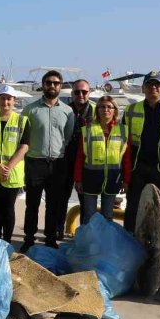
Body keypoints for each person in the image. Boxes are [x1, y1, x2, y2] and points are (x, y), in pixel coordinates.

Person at [20, 70, 74, 252]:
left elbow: (67, 137)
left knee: (54, 204)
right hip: (35, 162)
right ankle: (29, 238)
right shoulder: (30, 110)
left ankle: (50, 238)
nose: (52, 86)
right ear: (43, 85)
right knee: (32, 204)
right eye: (49, 82)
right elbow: (23, 137)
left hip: (58, 163)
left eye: (56, 83)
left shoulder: (68, 111)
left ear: (60, 86)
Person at [123, 71, 160, 233]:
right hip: (137, 167)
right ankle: (129, 240)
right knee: (133, 207)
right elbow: (122, 143)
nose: (153, 88)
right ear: (143, 88)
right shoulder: (130, 110)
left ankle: (154, 241)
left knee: (157, 207)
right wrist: (124, 172)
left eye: (157, 85)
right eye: (149, 84)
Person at [74, 95, 131, 224]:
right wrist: (78, 179)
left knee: (108, 216)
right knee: (89, 216)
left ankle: (105, 243)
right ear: (97, 110)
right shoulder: (88, 130)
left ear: (115, 110)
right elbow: (80, 157)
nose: (106, 109)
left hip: (112, 178)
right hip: (90, 178)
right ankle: (89, 243)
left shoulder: (123, 131)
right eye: (102, 107)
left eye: (109, 107)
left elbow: (126, 158)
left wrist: (126, 180)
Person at [0, 85, 30, 242]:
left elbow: (24, 146)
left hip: (12, 173)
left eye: (9, 99)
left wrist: (8, 167)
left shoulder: (22, 120)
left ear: (14, 101)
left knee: (8, 208)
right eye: (3, 98)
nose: (5, 101)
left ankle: (6, 240)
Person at [59, 79, 96, 236]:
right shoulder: (64, 110)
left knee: (86, 203)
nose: (81, 94)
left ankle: (84, 236)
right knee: (61, 199)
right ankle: (57, 231)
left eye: (84, 92)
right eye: (77, 92)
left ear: (89, 92)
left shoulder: (96, 111)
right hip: (64, 161)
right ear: (72, 93)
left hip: (86, 162)